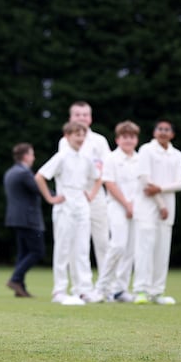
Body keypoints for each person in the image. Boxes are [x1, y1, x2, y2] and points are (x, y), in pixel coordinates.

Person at [35, 121, 103, 305]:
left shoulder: (86, 158)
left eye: (82, 135)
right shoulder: (61, 157)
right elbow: (40, 176)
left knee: (82, 249)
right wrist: (50, 198)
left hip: (82, 206)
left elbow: (98, 178)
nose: (80, 138)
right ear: (67, 136)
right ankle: (59, 290)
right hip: (64, 208)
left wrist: (91, 195)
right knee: (63, 249)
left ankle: (83, 289)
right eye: (76, 135)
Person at [132, 119, 181, 305]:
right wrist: (161, 204)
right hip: (148, 207)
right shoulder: (146, 150)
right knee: (144, 249)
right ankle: (141, 290)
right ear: (154, 132)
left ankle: (157, 292)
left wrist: (160, 190)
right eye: (160, 129)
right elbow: (145, 180)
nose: (163, 132)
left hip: (167, 208)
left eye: (167, 130)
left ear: (172, 134)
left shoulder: (177, 155)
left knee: (162, 250)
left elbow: (180, 183)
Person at [57, 101, 111, 277]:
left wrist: (93, 193)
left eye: (85, 114)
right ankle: (80, 287)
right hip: (74, 198)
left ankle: (107, 287)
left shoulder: (100, 141)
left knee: (103, 242)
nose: (81, 118)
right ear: (71, 118)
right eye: (77, 114)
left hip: (96, 197)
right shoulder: (64, 142)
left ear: (90, 118)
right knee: (76, 244)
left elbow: (106, 169)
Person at [94, 121, 140, 302]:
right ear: (118, 139)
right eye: (124, 137)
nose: (128, 140)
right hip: (116, 206)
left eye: (132, 137)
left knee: (130, 250)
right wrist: (127, 205)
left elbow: (142, 184)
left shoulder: (140, 159)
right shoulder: (112, 158)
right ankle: (101, 288)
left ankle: (120, 289)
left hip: (137, 208)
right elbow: (110, 183)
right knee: (118, 245)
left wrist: (134, 205)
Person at [2, 143, 45, 298]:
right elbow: (40, 190)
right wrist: (56, 196)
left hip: (15, 219)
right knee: (37, 251)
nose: (33, 157)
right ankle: (15, 279)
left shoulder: (11, 172)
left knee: (23, 253)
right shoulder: (24, 173)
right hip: (28, 219)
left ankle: (20, 288)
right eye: (32, 154)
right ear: (26, 156)